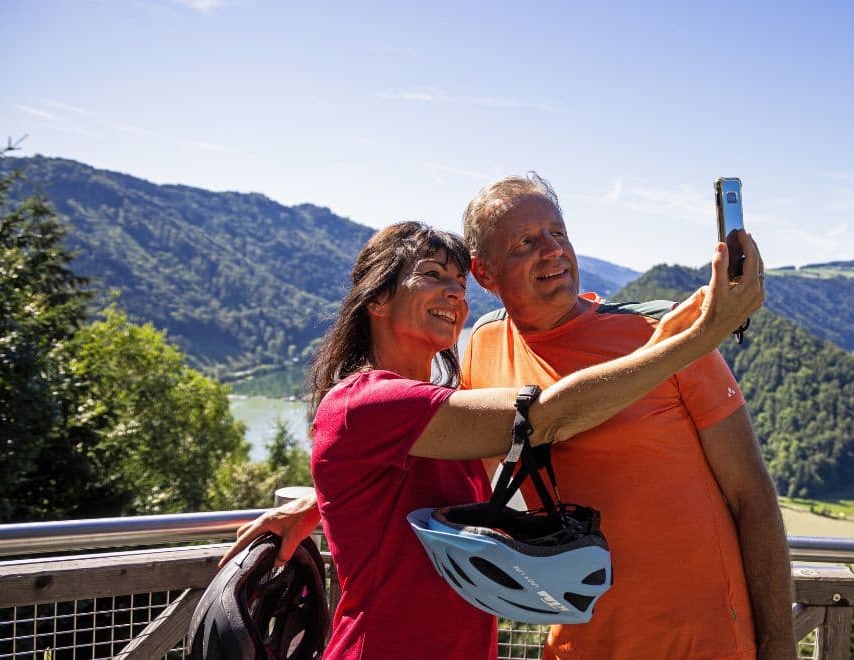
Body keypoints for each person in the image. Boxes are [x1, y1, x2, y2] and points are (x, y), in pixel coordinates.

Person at [219, 219, 763, 660]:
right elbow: (543, 416)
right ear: (377, 300)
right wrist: (698, 337)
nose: (453, 296)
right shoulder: (366, 402)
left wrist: (320, 504)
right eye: (432, 275)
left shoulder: (429, 407)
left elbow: (397, 484)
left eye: (459, 285)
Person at [460, 174, 794, 660]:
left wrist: (779, 646)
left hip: (703, 646)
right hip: (574, 646)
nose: (553, 250)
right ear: (484, 274)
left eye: (559, 233)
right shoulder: (485, 346)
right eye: (526, 242)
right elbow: (470, 478)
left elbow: (753, 495)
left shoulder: (667, 334)